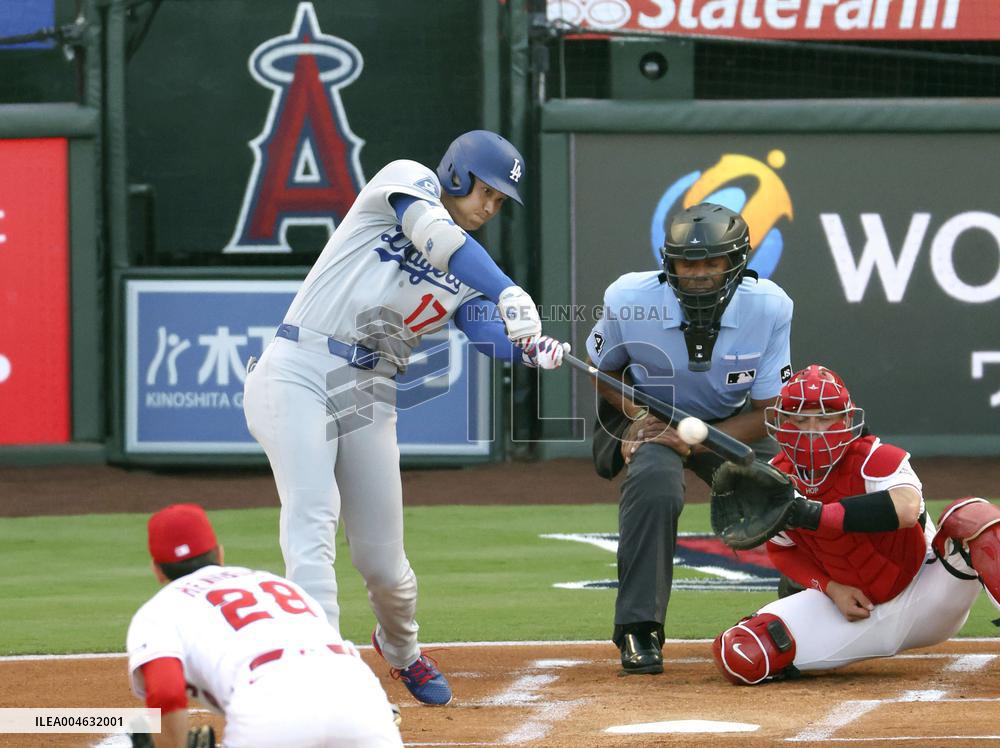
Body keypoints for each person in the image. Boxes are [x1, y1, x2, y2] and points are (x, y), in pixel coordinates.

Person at [243, 130, 566, 705]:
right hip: (299, 364)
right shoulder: (407, 179)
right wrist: (510, 288)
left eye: (499, 202)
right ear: (458, 175)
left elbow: (483, 330)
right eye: (485, 192)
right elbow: (435, 237)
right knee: (313, 523)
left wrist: (527, 347)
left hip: (369, 388)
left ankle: (402, 651)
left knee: (385, 564)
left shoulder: (473, 268)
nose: (489, 208)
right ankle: (321, 676)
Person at [586, 202, 793, 675]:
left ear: (735, 263)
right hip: (651, 415)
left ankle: (798, 615)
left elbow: (770, 411)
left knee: (787, 486)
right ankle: (639, 629)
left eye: (711, 262)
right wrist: (639, 417)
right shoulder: (626, 298)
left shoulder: (771, 306)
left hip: (729, 421)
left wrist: (696, 441)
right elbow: (604, 370)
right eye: (687, 263)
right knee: (655, 483)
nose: (698, 274)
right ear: (669, 263)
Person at [711, 364, 1000, 685]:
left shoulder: (875, 458)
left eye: (823, 418)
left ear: (846, 420)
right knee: (741, 653)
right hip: (852, 607)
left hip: (926, 591)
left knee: (973, 515)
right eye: (801, 419)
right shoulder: (774, 482)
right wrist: (832, 589)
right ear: (783, 423)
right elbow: (783, 553)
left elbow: (907, 508)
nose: (812, 430)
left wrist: (814, 514)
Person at [126, 503, 403, 748]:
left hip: (269, 709)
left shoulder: (158, 610)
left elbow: (165, 692)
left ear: (157, 570)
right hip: (359, 696)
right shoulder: (276, 584)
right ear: (219, 554)